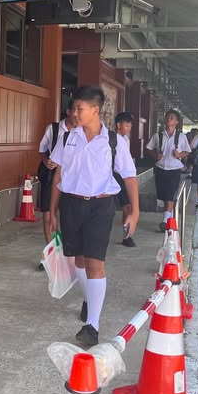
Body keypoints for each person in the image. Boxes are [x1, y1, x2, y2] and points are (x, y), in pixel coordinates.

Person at [48, 86, 139, 346]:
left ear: (95, 110)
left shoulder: (114, 142)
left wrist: (134, 211)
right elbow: (59, 174)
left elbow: (129, 176)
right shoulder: (67, 138)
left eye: (80, 109)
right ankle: (89, 299)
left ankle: (93, 326)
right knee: (78, 260)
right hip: (71, 204)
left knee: (95, 263)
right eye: (74, 108)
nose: (74, 113)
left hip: (101, 206)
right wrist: (52, 210)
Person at [36, 100, 77, 269]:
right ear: (68, 111)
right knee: (47, 216)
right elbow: (42, 149)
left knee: (68, 217)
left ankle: (68, 255)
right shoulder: (53, 129)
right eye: (75, 110)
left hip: (72, 179)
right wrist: (46, 161)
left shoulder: (82, 132)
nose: (77, 114)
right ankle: (51, 256)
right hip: (51, 177)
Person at [146, 109, 191, 231]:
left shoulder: (181, 137)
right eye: (168, 117)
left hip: (174, 169)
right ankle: (170, 217)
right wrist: (155, 155)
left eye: (172, 117)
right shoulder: (158, 136)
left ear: (176, 122)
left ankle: (165, 221)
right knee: (163, 195)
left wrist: (179, 155)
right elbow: (148, 148)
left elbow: (187, 151)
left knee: (170, 194)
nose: (169, 119)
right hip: (161, 168)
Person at [114, 112, 137, 247]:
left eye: (130, 126)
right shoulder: (112, 139)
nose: (128, 129)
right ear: (119, 125)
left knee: (127, 207)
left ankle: (126, 236)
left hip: (124, 177)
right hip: (113, 175)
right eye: (126, 126)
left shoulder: (125, 140)